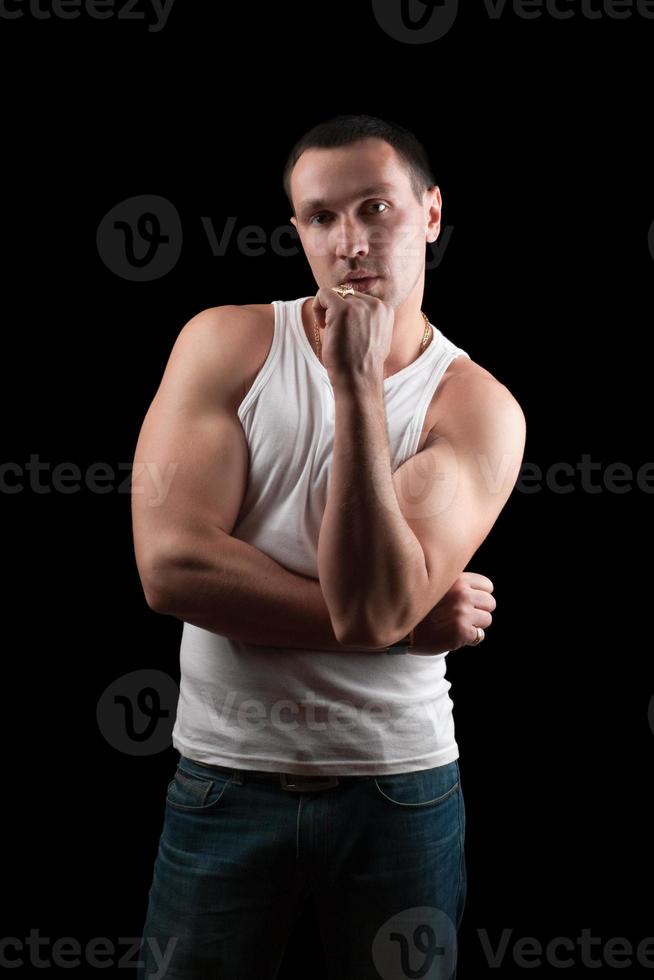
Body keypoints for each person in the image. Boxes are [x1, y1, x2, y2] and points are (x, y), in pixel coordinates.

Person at [132, 113, 526, 979]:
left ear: (429, 213)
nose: (351, 241)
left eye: (375, 208)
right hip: (222, 780)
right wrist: (407, 625)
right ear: (299, 230)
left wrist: (354, 386)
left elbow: (370, 603)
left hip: (400, 789)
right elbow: (173, 570)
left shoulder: (475, 406)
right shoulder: (226, 343)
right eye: (321, 217)